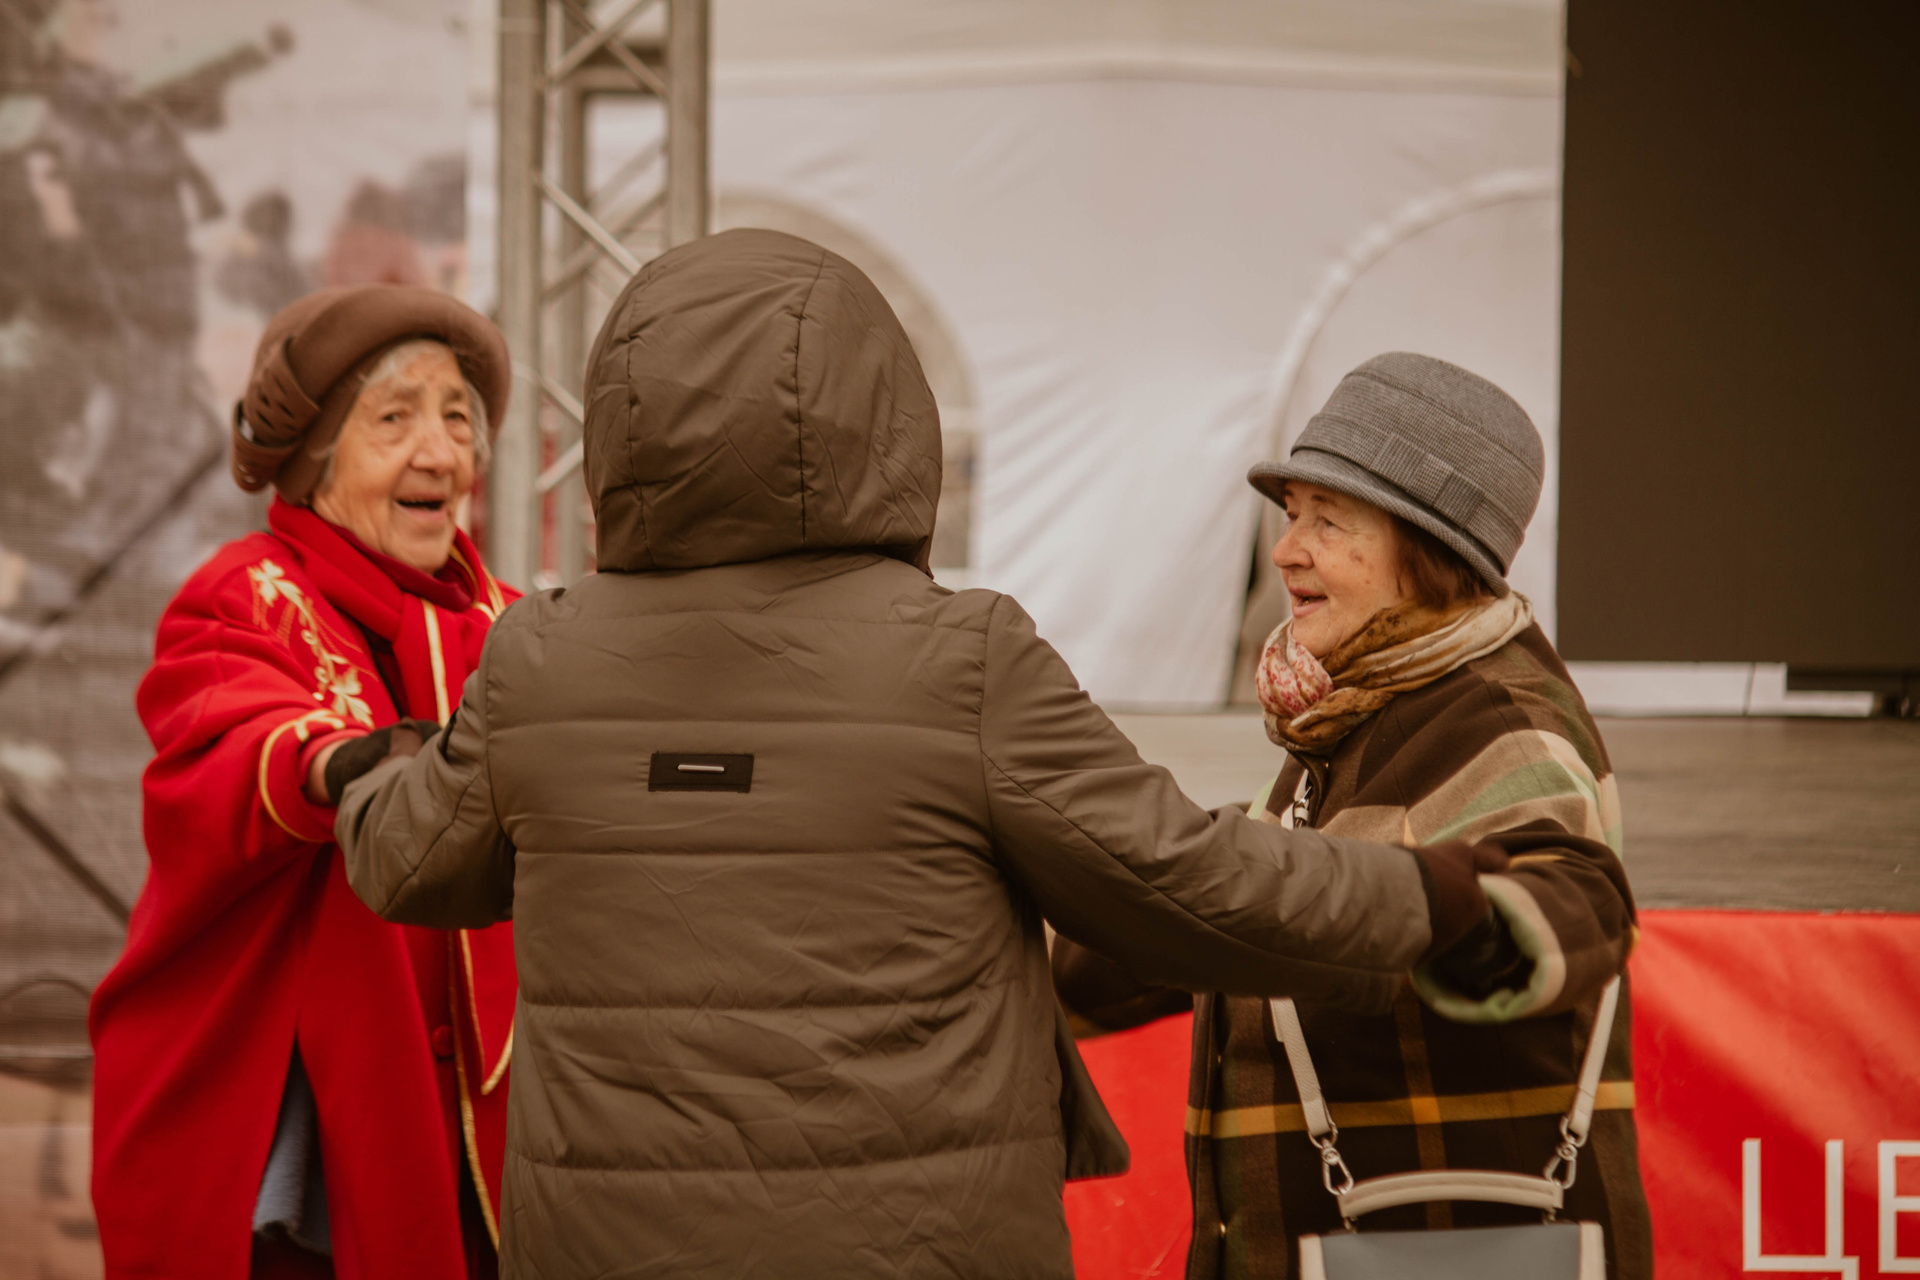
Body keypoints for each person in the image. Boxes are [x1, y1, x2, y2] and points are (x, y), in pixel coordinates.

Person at [330, 230, 1531, 1279]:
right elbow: (1189, 883)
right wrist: (1436, 897)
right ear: (880, 416)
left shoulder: (541, 661)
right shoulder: (965, 659)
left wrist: (362, 765)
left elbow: (407, 857)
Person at [1055, 352, 1651, 1278]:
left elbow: (1572, 907)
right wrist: (1065, 931)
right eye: (1292, 514)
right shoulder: (1363, 712)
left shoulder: (1500, 723)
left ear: (1432, 552)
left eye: (1327, 521)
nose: (1285, 550)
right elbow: (1274, 915)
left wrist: (1445, 911)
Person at [89, 285, 521, 1280]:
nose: (440, 452)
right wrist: (335, 763)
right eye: (395, 418)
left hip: (487, 1128)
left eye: (457, 419)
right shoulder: (245, 593)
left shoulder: (511, 624)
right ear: (317, 456)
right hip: (309, 1139)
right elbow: (229, 737)